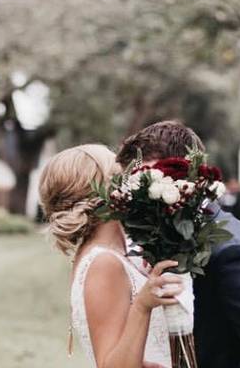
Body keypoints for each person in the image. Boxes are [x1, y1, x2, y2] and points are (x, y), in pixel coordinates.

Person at [118, 121, 240, 368]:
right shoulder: (174, 237)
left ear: (180, 176)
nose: (137, 203)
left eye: (145, 187)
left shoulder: (236, 253)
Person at [39, 144, 180, 368]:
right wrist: (143, 305)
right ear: (105, 191)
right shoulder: (103, 263)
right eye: (122, 176)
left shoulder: (111, 255)